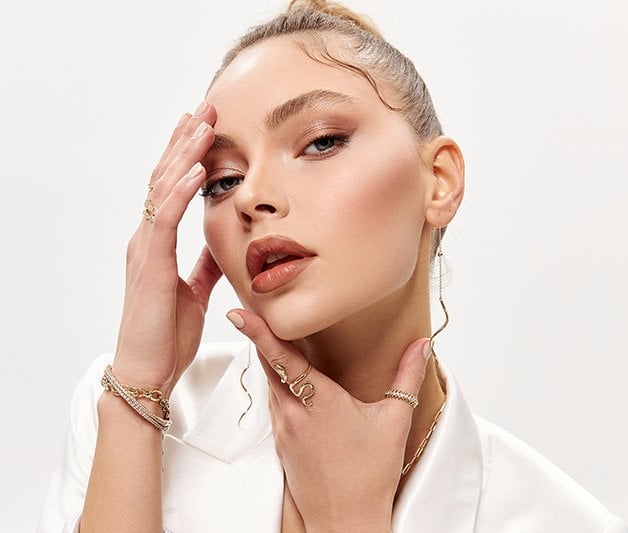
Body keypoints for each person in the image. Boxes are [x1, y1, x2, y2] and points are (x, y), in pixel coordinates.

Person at [38, 1, 627, 532]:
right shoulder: (129, 410)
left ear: (440, 180)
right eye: (223, 180)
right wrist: (138, 392)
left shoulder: (560, 521)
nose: (251, 197)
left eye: (320, 142)